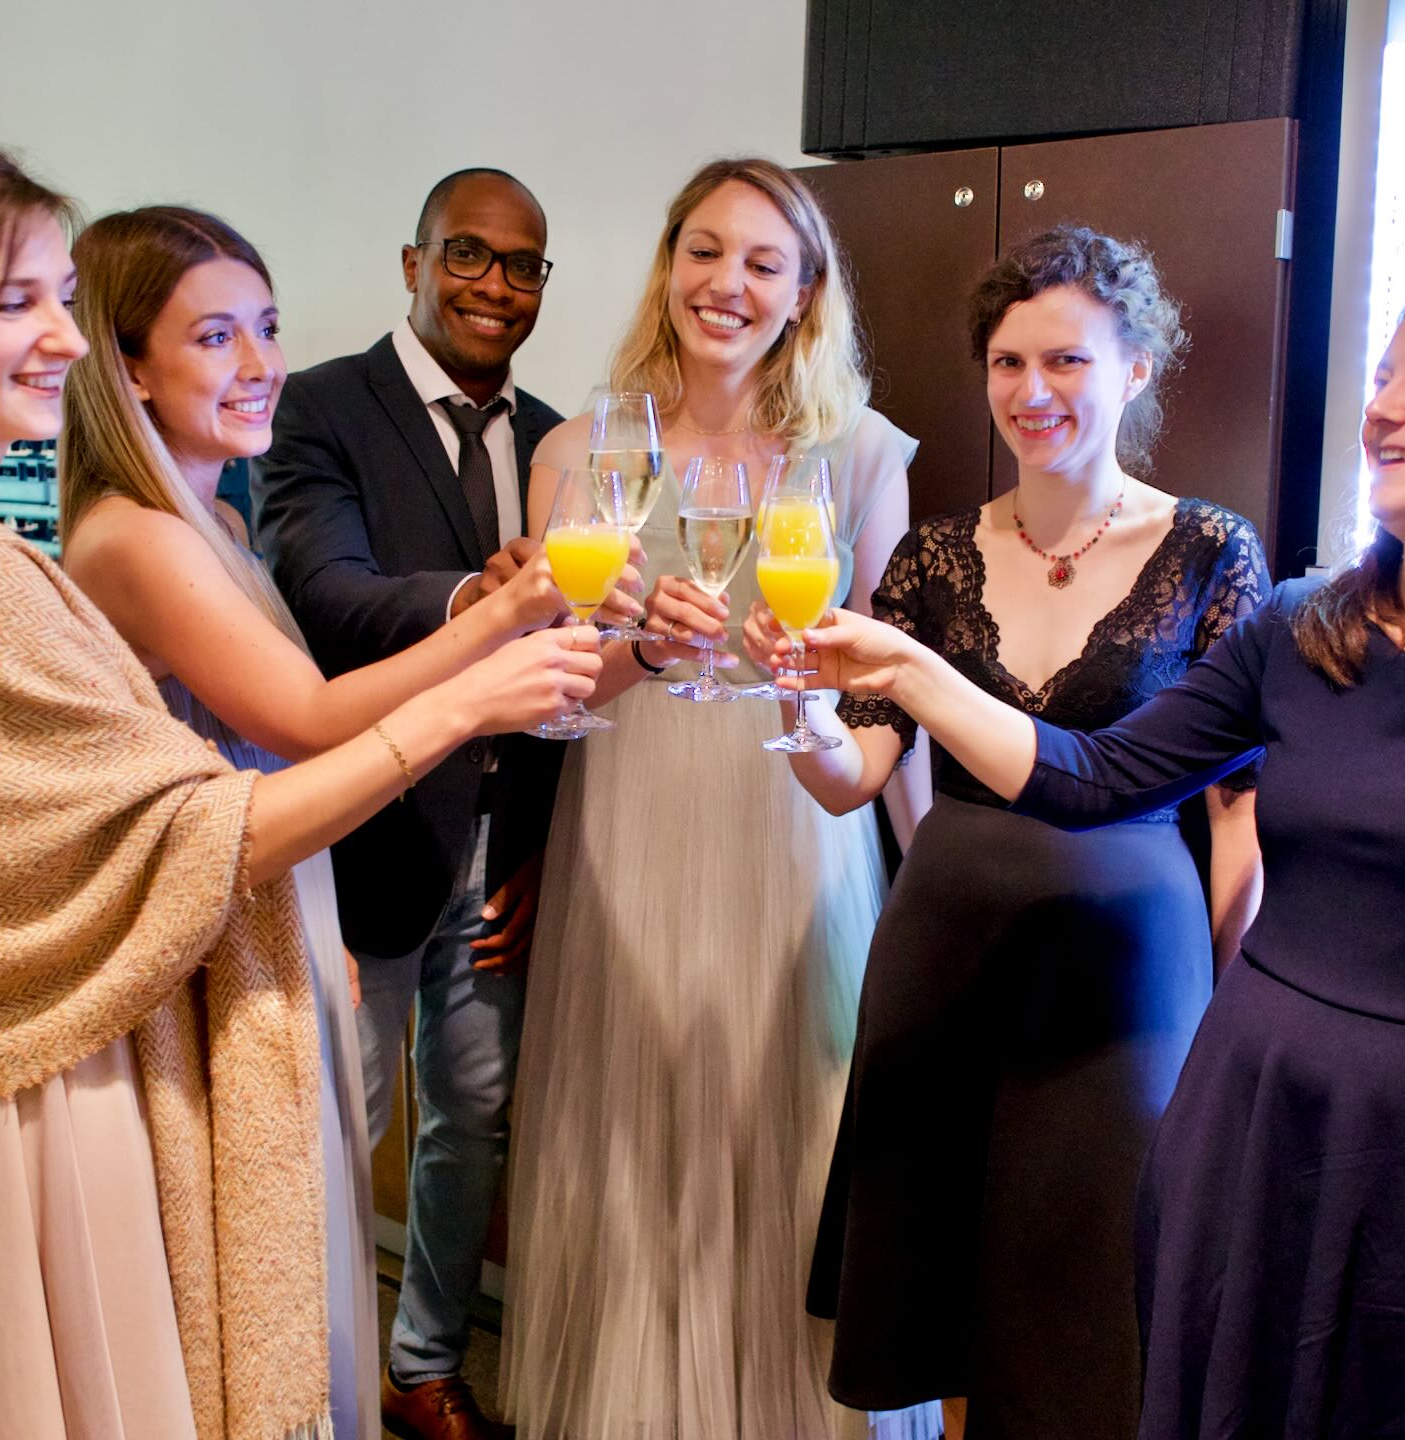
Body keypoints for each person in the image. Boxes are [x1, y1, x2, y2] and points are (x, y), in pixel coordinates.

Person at [779, 265, 1405, 1438]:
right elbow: (1097, 777)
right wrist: (906, 670)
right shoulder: (1305, 630)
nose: (1384, 404)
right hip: (1251, 1126)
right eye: (1383, 374)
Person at [0, 137, 600, 1440]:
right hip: (68, 1046)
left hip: (165, 970)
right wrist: (482, 663)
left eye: (63, 297)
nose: (61, 338)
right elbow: (214, 797)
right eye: (12, 301)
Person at [57, 205, 585, 1440]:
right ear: (128, 366)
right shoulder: (139, 538)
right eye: (216, 337)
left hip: (290, 882)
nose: (259, 363)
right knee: (272, 1208)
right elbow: (304, 713)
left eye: (268, 327)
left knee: (342, 1181)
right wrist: (495, 629)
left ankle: (378, 1381)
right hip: (232, 893)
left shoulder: (217, 523)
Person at [743, 226, 1266, 1440]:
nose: (1033, 391)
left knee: (1093, 1303)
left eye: (1067, 360)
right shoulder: (933, 556)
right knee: (947, 1288)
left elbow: (1239, 814)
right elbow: (849, 779)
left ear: (1136, 369)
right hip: (944, 951)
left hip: (1127, 975)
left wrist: (1223, 1000)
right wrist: (793, 700)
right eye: (1008, 362)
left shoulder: (1210, 552)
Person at [499, 156, 935, 1440]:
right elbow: (551, 676)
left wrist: (932, 879)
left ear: (804, 294)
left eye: (761, 262)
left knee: (790, 1113)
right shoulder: (581, 452)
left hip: (793, 818)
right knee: (636, 1122)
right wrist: (640, 645)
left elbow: (887, 690)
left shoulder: (859, 455)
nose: (726, 283)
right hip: (628, 814)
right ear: (667, 266)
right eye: (704, 250)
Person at [251, 165, 598, 1439]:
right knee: (341, 1125)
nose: (495, 285)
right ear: (413, 262)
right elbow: (328, 592)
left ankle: (422, 1367)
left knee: (472, 1122)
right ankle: (313, 1383)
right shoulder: (318, 406)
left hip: (502, 847)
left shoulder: (558, 440)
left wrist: (539, 850)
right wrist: (477, 601)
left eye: (522, 265)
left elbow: (579, 653)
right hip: (362, 834)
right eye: (467, 254)